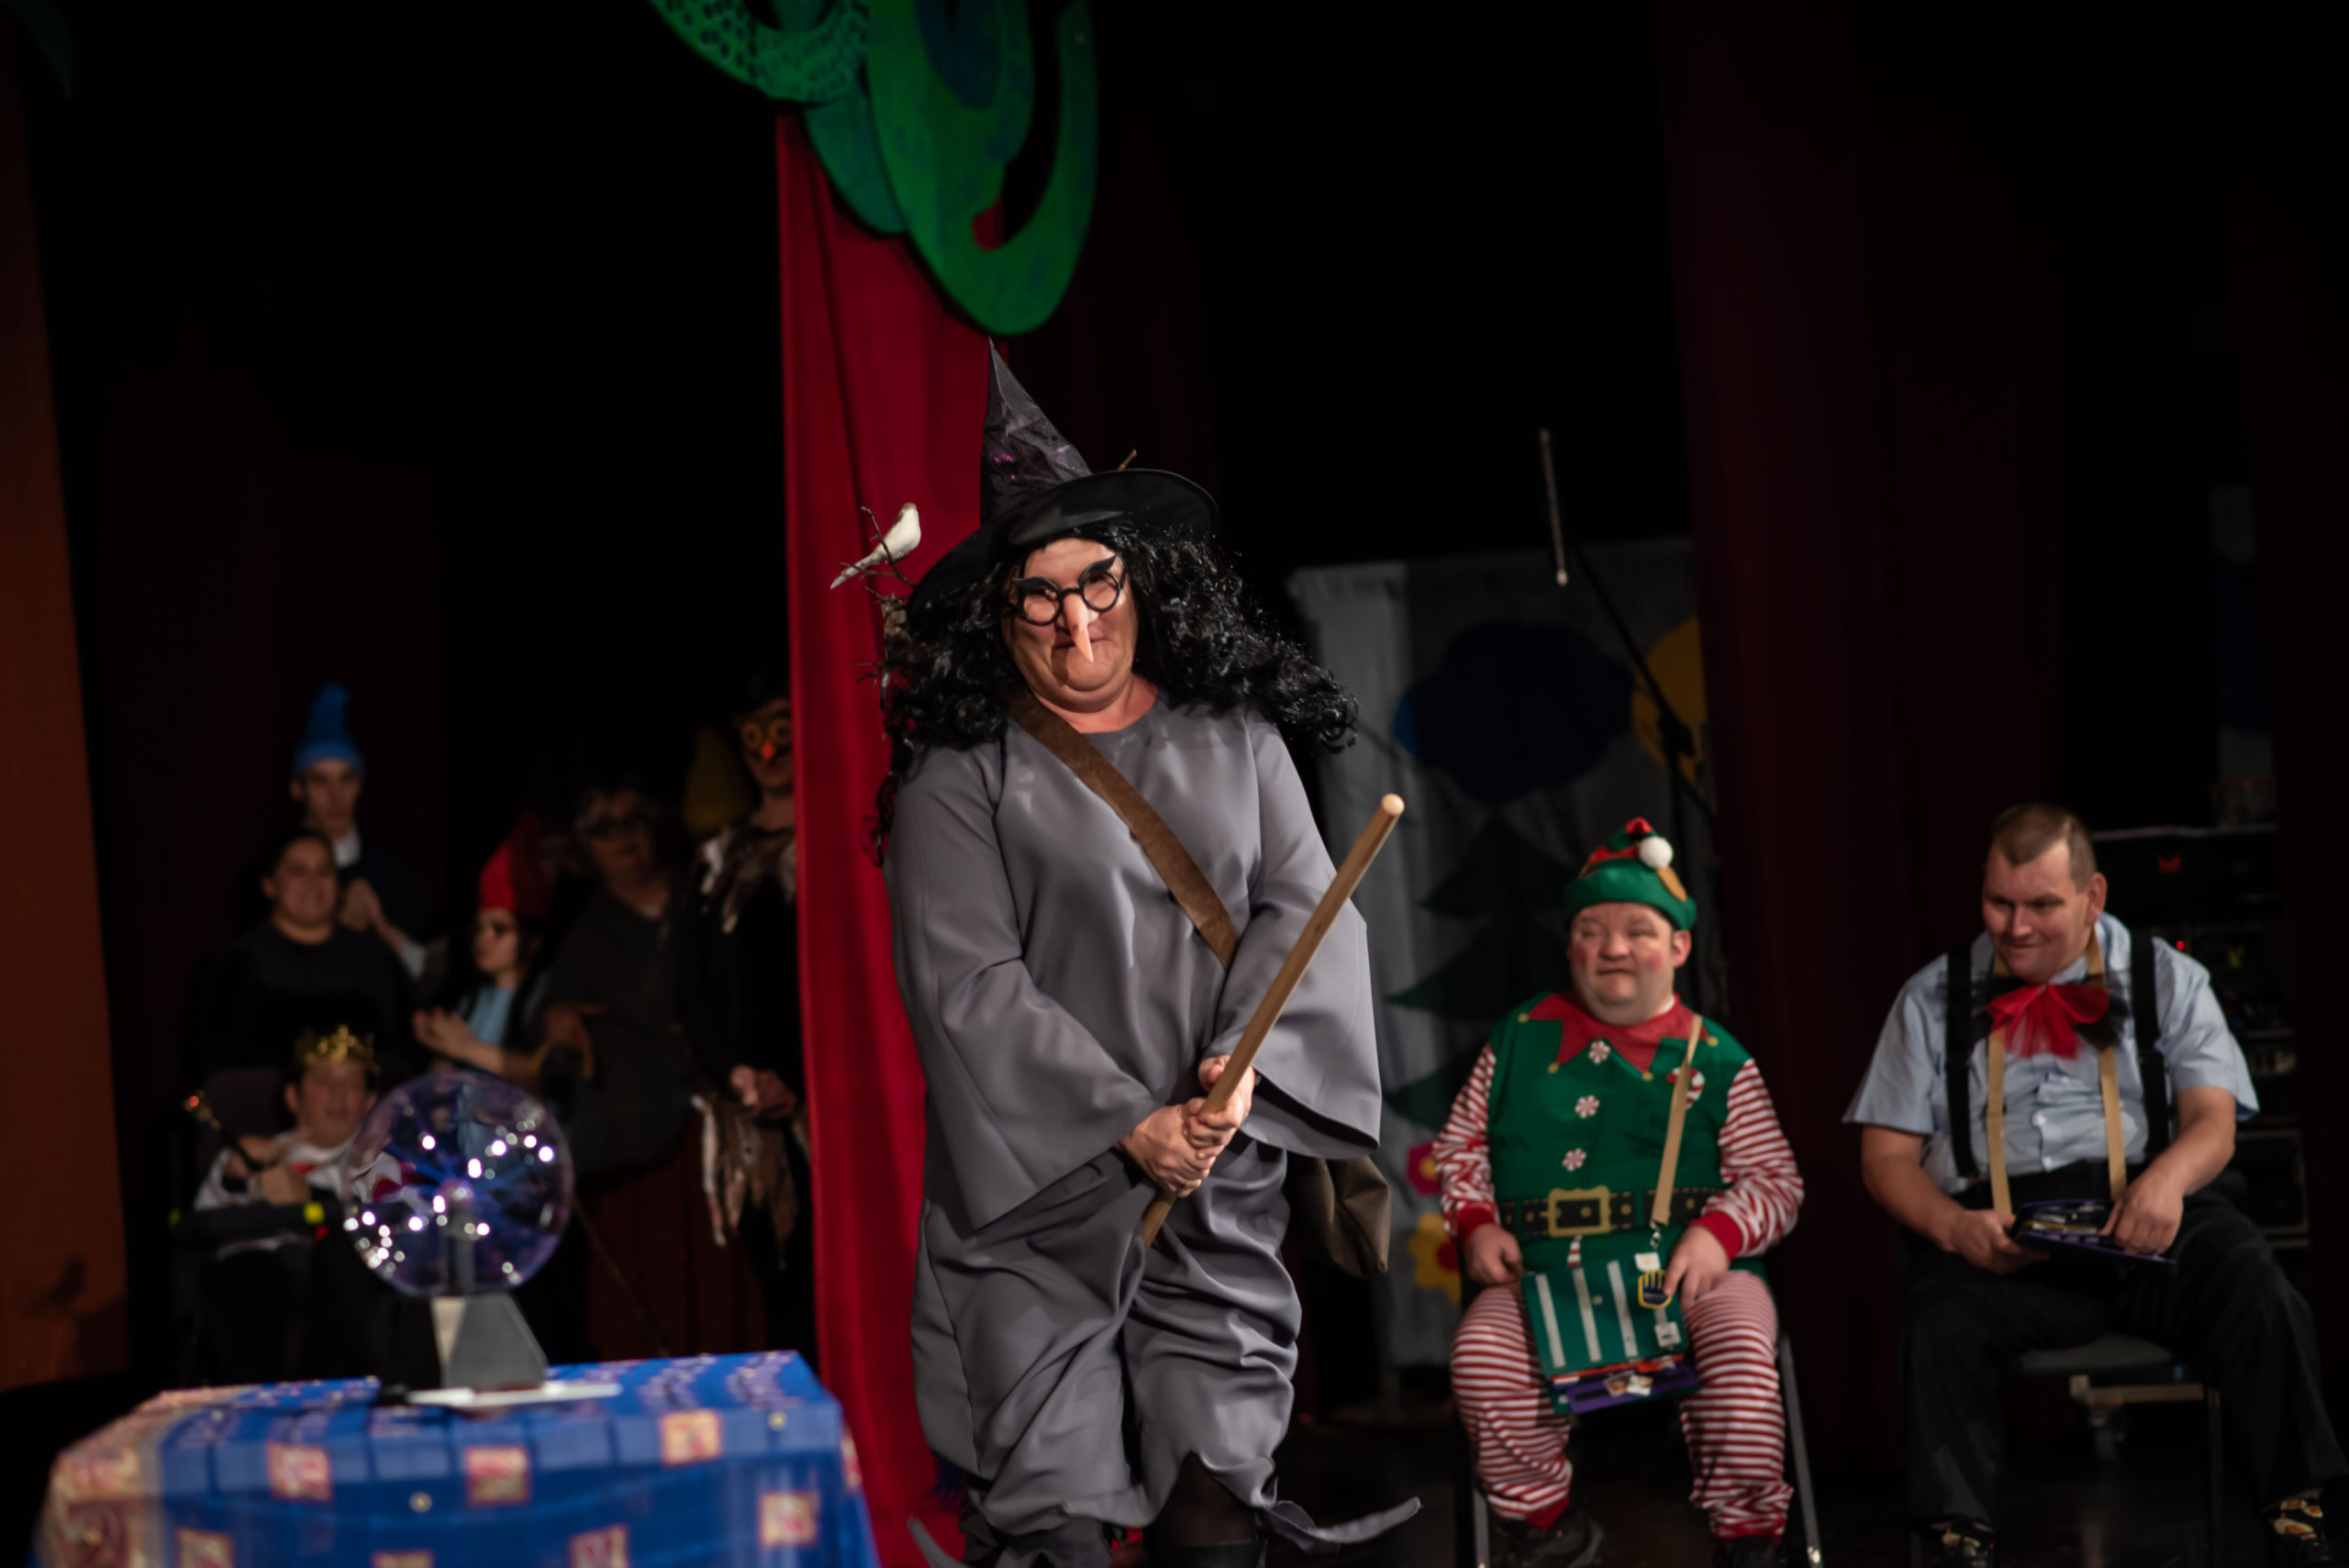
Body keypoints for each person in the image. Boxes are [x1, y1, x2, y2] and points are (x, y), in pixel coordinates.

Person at [880, 351, 1410, 1568]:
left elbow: (1304, 909)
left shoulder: (1237, 736)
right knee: (1055, 1516)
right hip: (1036, 1201)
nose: (1076, 621)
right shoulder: (959, 779)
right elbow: (968, 987)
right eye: (1039, 596)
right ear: (998, 613)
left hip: (1215, 1177)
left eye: (1097, 581)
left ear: (1138, 577)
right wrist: (1129, 1122)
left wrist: (1240, 1064)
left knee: (1214, 1499)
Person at [1846, 804, 2343, 1567]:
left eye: (2042, 904)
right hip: (2003, 1238)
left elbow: (2213, 1120)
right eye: (1999, 902)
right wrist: (1952, 1226)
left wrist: (2167, 1180)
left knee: (2255, 1283)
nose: (2016, 927)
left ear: (2092, 896)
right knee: (1937, 1321)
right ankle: (1956, 1541)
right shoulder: (1929, 996)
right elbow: (1884, 1157)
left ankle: (2296, 1516)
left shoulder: (2165, 975)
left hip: (2146, 1215)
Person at [1433, 818, 1805, 1568]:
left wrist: (1718, 1236)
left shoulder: (1720, 1058)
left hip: (1686, 1273)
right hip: (1543, 1274)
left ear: (1680, 946)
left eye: (1638, 931)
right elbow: (1459, 1148)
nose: (1612, 948)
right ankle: (1548, 1529)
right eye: (1591, 931)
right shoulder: (1518, 1038)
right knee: (1481, 1354)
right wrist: (1475, 1222)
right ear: (1570, 944)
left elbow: (1775, 1180)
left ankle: (1749, 1539)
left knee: (1740, 1344)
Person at [531, 776, 761, 1358]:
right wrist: (559, 1025)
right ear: (587, 846)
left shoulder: (700, 899)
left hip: (711, 1133)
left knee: (722, 1295)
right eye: (605, 830)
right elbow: (545, 1032)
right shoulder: (586, 934)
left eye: (634, 822)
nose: (624, 840)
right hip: (629, 1144)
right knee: (645, 1302)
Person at [676, 671, 815, 1361]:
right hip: (749, 1118)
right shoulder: (716, 861)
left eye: (780, 728)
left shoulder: (837, 842)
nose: (769, 749)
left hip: (826, 1109)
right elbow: (690, 987)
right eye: (753, 734)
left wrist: (799, 1077)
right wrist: (737, 1074)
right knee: (780, 1293)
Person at [189, 1024, 385, 1382]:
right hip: (255, 1290)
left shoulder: (382, 1162)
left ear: (369, 1101)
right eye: (324, 1081)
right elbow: (200, 1230)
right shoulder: (248, 1154)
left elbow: (392, 1230)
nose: (338, 1095)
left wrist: (312, 1200)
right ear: (293, 1096)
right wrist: (233, 1178)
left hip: (340, 1318)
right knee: (251, 1273)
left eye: (351, 1083)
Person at [189, 826, 418, 1086]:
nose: (313, 883)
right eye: (298, 871)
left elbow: (407, 1056)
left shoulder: (377, 960)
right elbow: (218, 1068)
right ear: (269, 885)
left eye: (324, 871)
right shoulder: (234, 965)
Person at [239, 684, 433, 980]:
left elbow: (431, 978)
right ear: (298, 789)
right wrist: (329, 927)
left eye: (346, 779)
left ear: (360, 785)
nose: (336, 796)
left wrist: (382, 926)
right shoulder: (271, 868)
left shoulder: (390, 870)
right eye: (320, 781)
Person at [414, 836, 552, 1083]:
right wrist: (438, 1042)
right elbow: (445, 1076)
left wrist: (465, 1048)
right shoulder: (474, 997)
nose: (483, 938)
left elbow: (545, 1071)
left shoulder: (547, 992)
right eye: (479, 928)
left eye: (499, 929)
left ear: (533, 941)